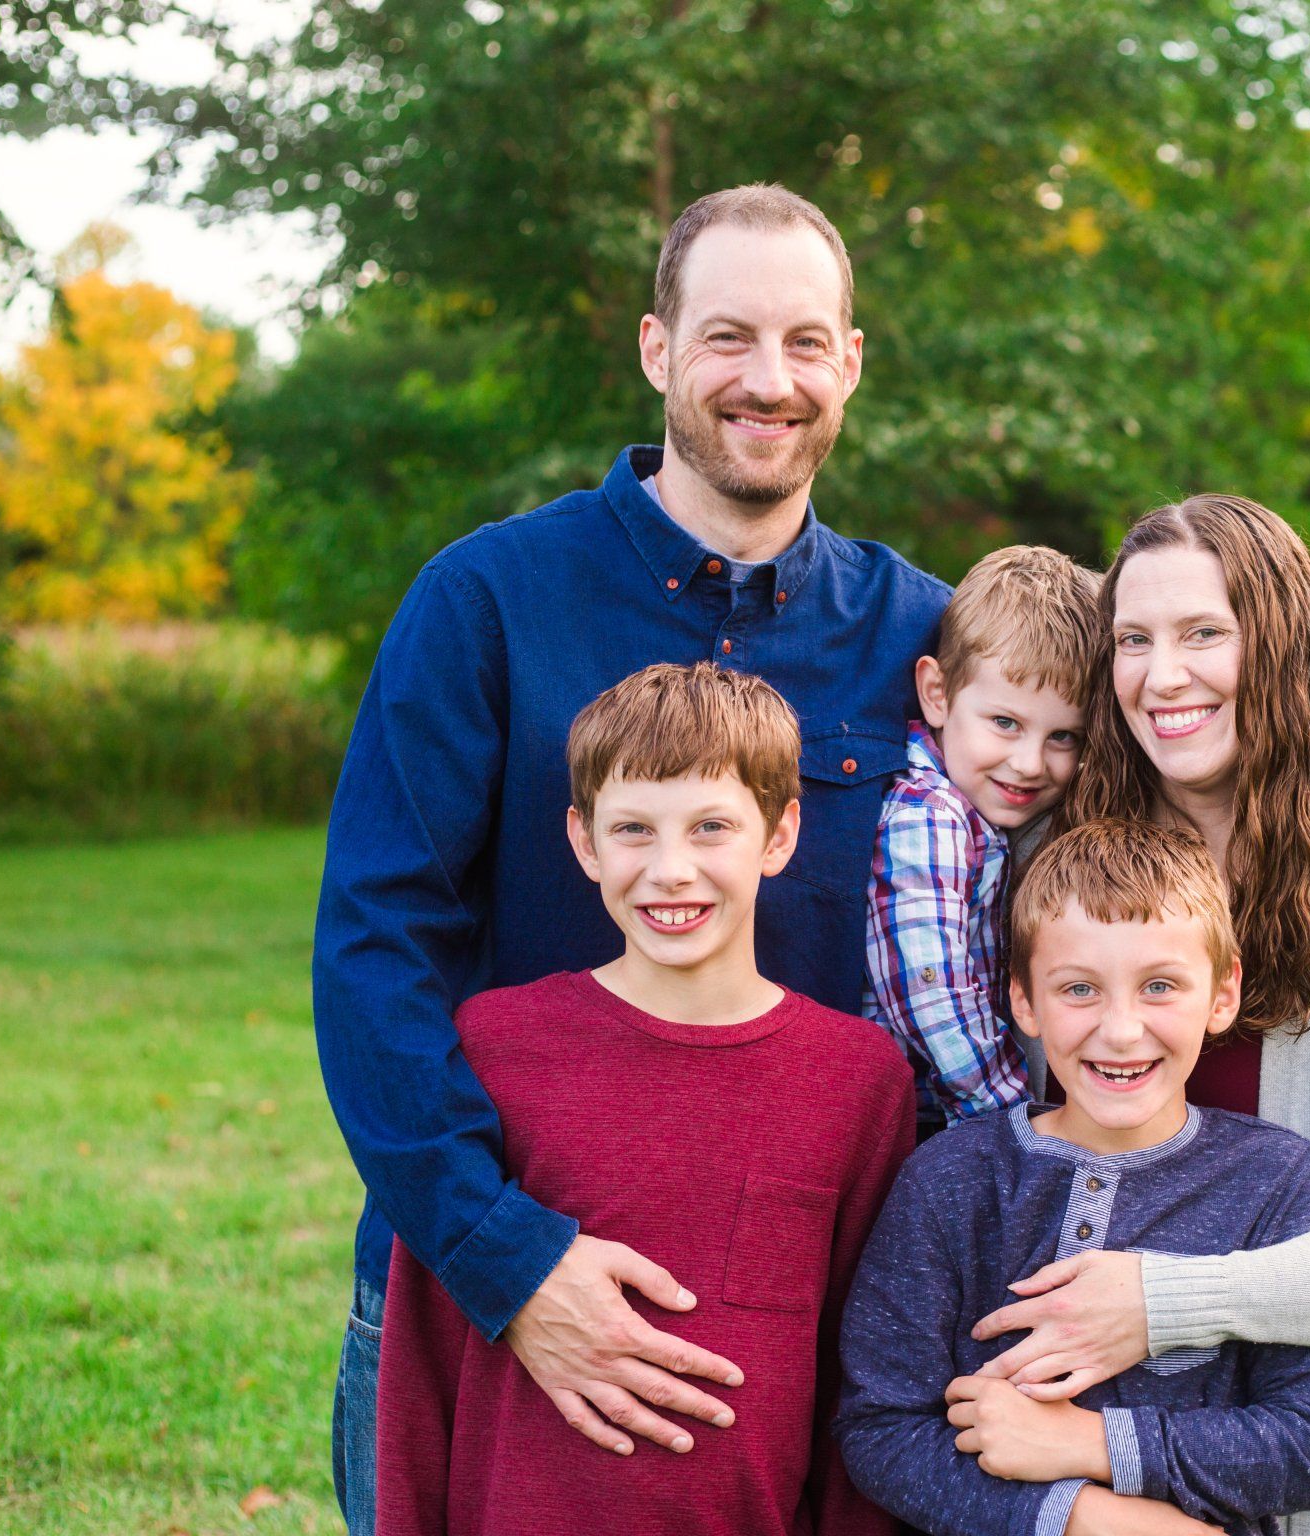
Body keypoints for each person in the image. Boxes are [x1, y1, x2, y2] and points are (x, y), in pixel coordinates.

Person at [312, 183, 949, 1533]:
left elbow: (1083, 872)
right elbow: (377, 950)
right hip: (481, 1297)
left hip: (792, 1325)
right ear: (658, 351)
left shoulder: (930, 644)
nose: (765, 382)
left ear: (850, 363)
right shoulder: (487, 601)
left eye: (802, 343)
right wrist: (508, 1262)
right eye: (726, 339)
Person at [969, 495, 1310, 1535]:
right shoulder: (1045, 860)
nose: (1162, 675)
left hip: (1256, 1472)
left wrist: (1162, 1303)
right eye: (1134, 640)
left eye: (1204, 633)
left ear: (1284, 648)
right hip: (1028, 1461)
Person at [374, 664, 912, 1536]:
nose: (670, 871)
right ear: (584, 843)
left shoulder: (857, 1079)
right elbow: (421, 1368)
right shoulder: (495, 1047)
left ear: (779, 836)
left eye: (711, 828)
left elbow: (862, 1375)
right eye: (633, 830)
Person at [837, 818, 1310, 1536]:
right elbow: (881, 1428)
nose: (1120, 1030)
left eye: (1159, 987)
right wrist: (1084, 1518)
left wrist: (1089, 1445)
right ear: (1024, 999)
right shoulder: (951, 1177)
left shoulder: (1274, 1179)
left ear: (1222, 992)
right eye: (1079, 989)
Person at [864, 544, 1098, 1132]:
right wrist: (1010, 1114)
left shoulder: (975, 813)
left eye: (1063, 737)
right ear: (937, 694)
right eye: (1005, 723)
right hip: (917, 1113)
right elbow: (927, 989)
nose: (1028, 763)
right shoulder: (931, 813)